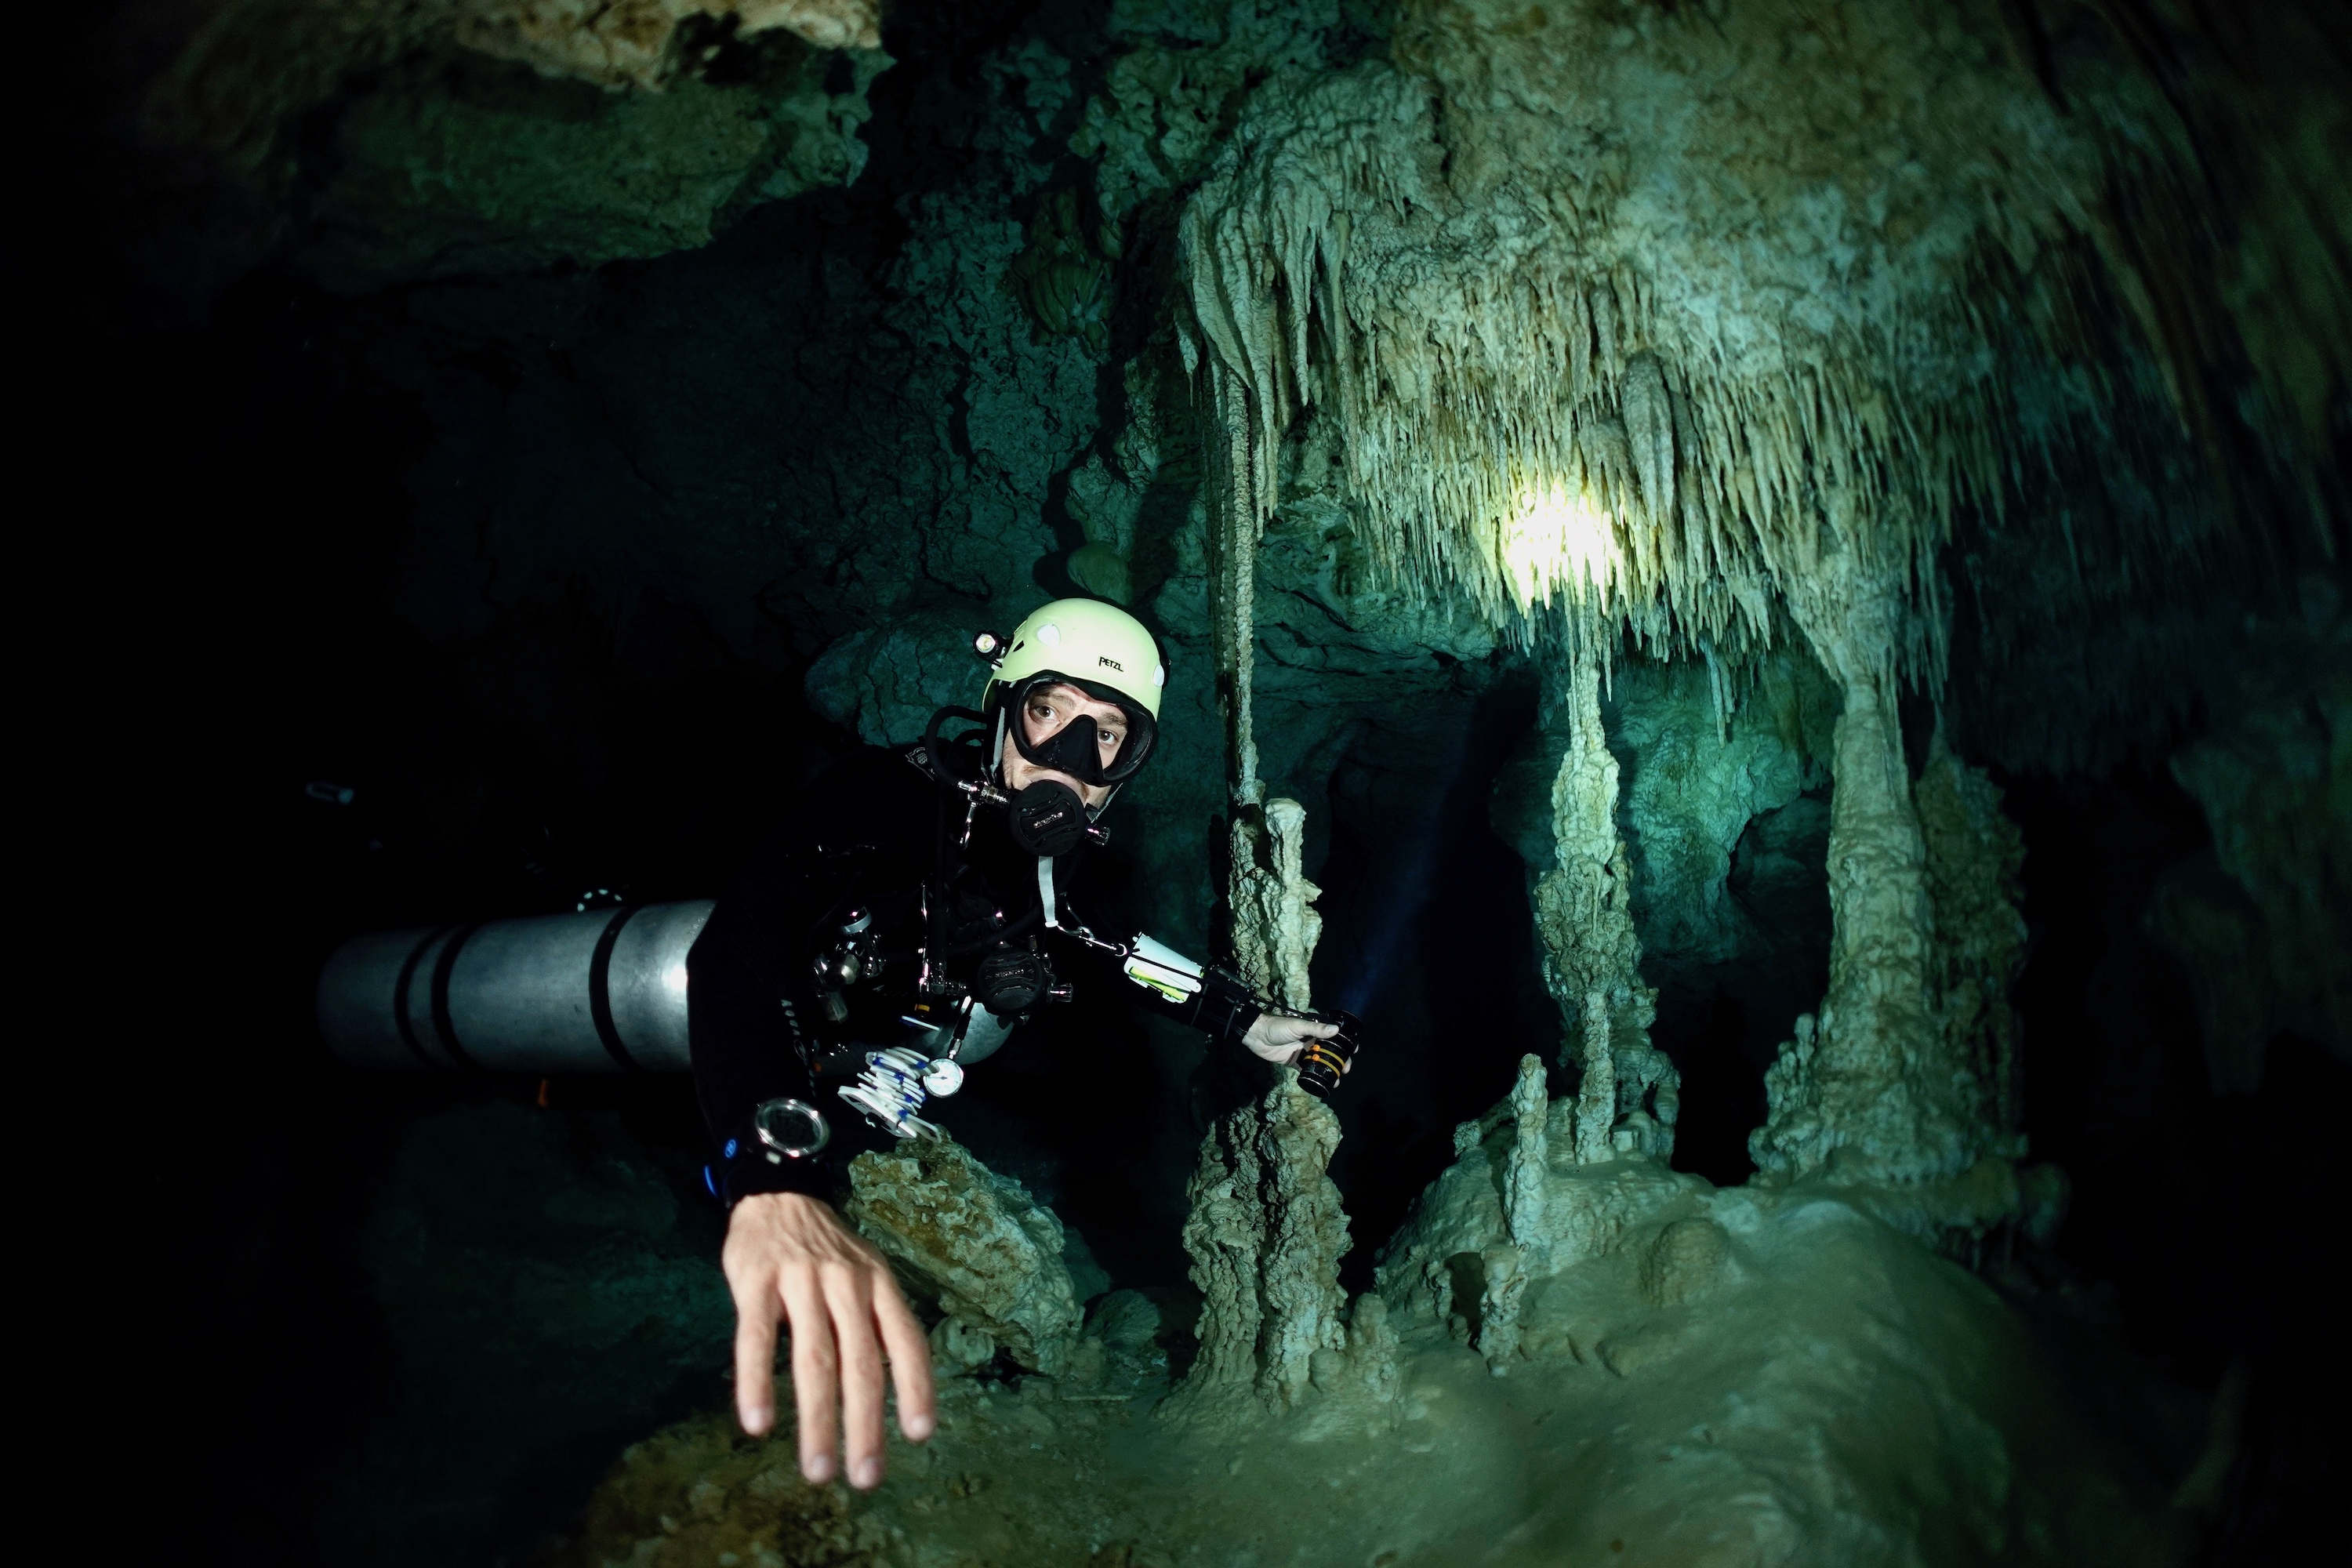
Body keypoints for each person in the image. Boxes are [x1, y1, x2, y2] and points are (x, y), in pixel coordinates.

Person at [687, 598, 1342, 1490]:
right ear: (1000, 709)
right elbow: (735, 954)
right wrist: (767, 1176)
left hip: (879, 1066)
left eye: (1107, 734)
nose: (1068, 760)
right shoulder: (880, 798)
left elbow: (1103, 945)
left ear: (1130, 763)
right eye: (1048, 713)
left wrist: (1243, 1019)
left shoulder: (1048, 867)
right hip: (753, 1054)